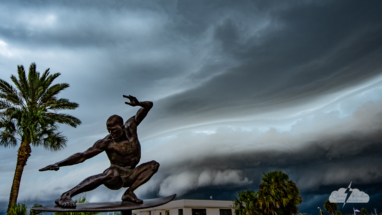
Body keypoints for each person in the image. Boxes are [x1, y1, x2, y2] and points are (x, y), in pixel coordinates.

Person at [40, 95, 159, 208]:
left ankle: (129, 193)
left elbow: (148, 105)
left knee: (153, 165)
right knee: (112, 173)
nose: (111, 134)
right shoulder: (106, 143)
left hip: (132, 173)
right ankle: (66, 195)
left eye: (114, 130)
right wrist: (59, 164)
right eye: (109, 131)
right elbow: (82, 156)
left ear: (122, 126)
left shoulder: (131, 126)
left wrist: (138, 103)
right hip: (115, 178)